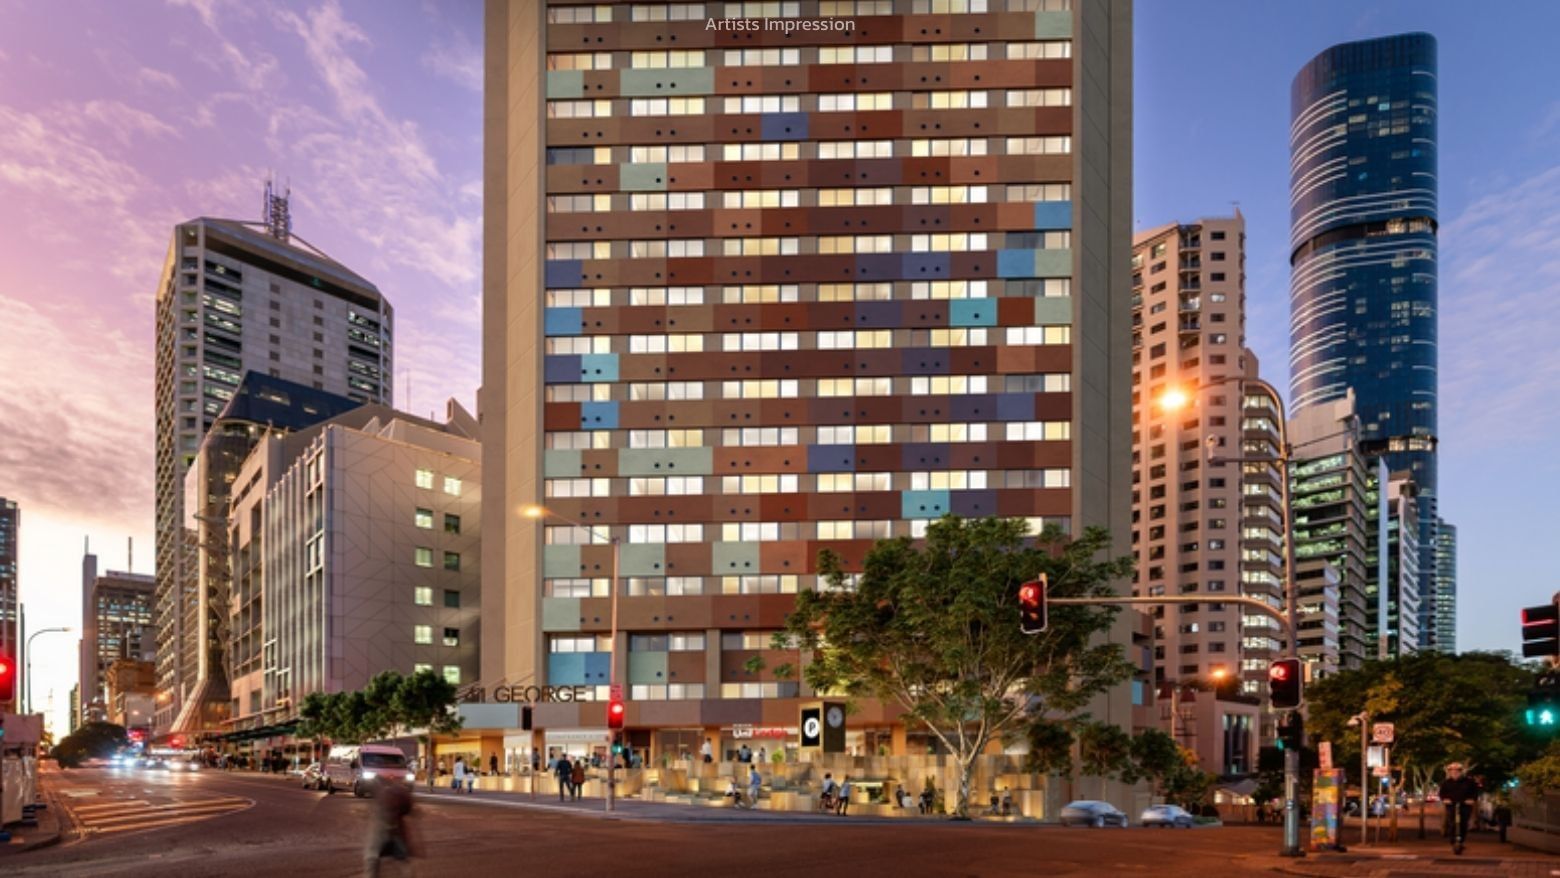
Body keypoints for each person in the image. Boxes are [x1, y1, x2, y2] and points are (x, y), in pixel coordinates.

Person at [363, 776, 416, 878]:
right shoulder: (400, 794)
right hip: (396, 831)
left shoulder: (383, 795)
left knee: (371, 858)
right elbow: (408, 809)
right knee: (403, 862)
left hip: (381, 832)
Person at [1438, 761, 1481, 855]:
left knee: (1463, 823)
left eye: (1457, 770)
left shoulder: (1469, 782)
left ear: (1461, 771)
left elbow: (1475, 792)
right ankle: (1453, 841)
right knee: (1452, 823)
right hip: (1452, 805)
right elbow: (1441, 794)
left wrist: (1471, 800)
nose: (1455, 772)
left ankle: (1461, 841)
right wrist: (1445, 799)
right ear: (1449, 772)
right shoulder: (1446, 783)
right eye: (1452, 770)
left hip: (1465, 805)